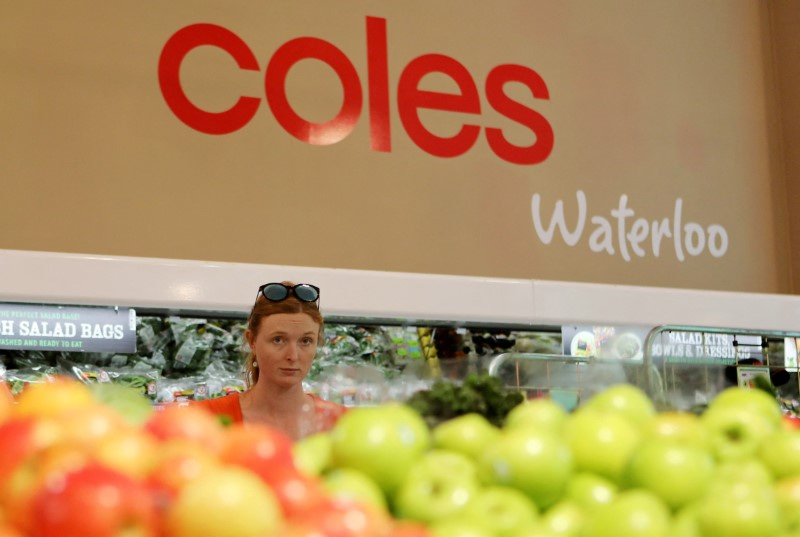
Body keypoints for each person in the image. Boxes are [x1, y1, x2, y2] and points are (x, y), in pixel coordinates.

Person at [190, 281, 347, 440]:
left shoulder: (343, 424)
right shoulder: (205, 420)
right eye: (278, 340)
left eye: (305, 341)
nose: (293, 356)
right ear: (252, 341)